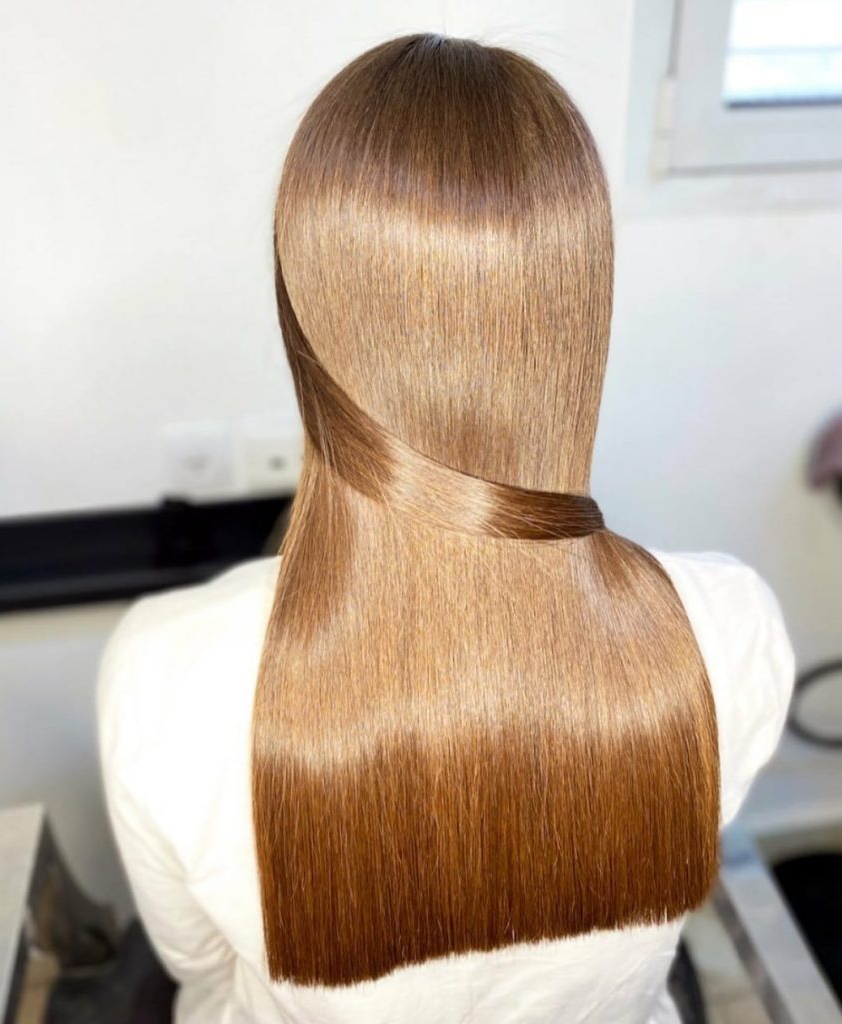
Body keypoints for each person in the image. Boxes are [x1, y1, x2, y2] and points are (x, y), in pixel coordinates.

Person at [98, 33, 795, 1024]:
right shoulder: (727, 625)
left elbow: (201, 972)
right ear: (577, 310)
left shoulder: (166, 669)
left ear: (304, 320)